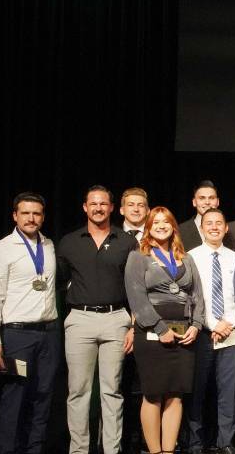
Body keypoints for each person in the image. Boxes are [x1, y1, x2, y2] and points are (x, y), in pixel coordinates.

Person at [57, 185, 138, 454]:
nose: (98, 208)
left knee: (111, 391)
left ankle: (111, 449)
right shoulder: (69, 242)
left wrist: (133, 326)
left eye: (103, 203)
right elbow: (61, 280)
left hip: (117, 319)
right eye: (93, 203)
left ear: (112, 208)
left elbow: (136, 286)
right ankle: (79, 450)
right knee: (78, 392)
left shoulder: (126, 241)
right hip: (80, 319)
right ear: (84, 207)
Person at [0, 192, 60, 454]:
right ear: (15, 215)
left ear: (43, 217)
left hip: (48, 334)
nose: (31, 218)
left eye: (36, 213)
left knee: (43, 396)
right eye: (25, 213)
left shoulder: (48, 245)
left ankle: (34, 449)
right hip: (17, 336)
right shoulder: (2, 249)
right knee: (15, 397)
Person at [125, 206, 204, 454]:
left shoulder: (187, 258)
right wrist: (160, 328)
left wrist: (197, 325)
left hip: (184, 332)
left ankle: (169, 450)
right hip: (151, 332)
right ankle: (155, 451)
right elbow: (136, 298)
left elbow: (197, 296)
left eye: (166, 221)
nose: (161, 225)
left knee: (176, 393)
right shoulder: (138, 256)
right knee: (153, 393)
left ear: (173, 226)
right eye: (155, 222)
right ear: (148, 227)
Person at [187, 208, 235, 454]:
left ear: (226, 227)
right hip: (201, 332)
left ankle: (226, 441)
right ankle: (195, 442)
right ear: (202, 228)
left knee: (227, 391)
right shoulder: (190, 257)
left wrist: (227, 323)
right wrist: (211, 324)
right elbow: (189, 297)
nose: (214, 227)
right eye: (209, 223)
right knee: (197, 390)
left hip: (231, 333)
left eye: (219, 222)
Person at [119, 186, 150, 453]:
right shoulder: (114, 237)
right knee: (121, 382)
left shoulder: (157, 237)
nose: (136, 209)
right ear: (122, 209)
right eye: (131, 205)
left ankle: (144, 438)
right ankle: (123, 438)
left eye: (141, 205)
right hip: (119, 319)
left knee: (148, 383)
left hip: (151, 320)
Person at [179, 180, 221, 251]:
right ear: (194, 202)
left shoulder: (227, 231)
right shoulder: (180, 231)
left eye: (211, 198)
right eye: (202, 198)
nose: (207, 202)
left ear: (218, 202)